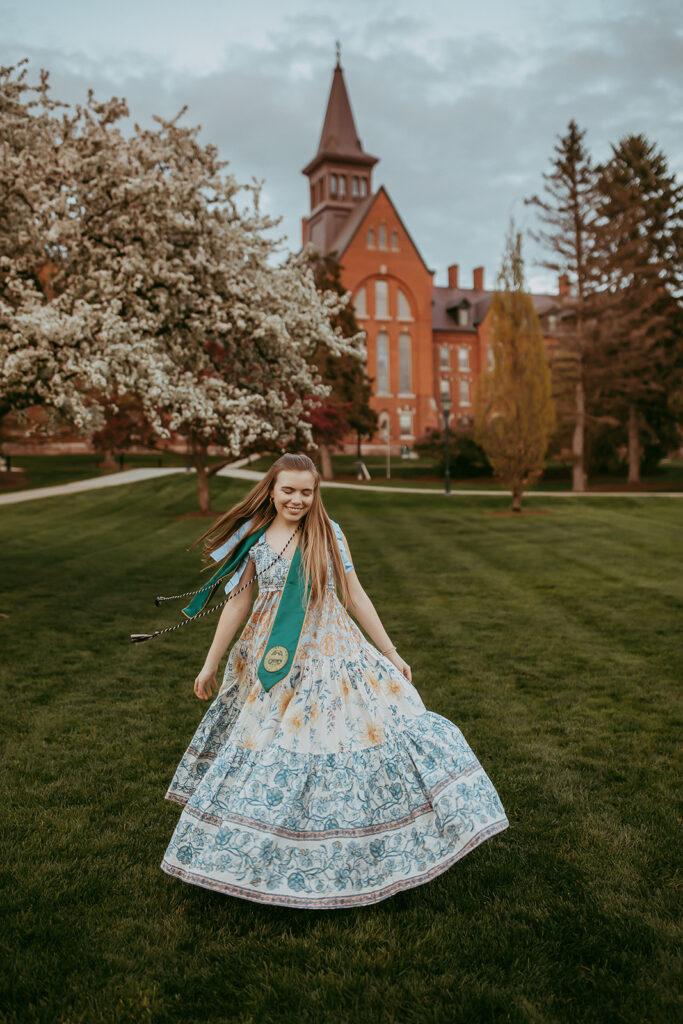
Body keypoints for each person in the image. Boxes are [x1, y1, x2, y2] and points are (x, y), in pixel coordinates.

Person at [161, 453, 508, 908]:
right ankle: (262, 847)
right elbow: (238, 604)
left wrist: (390, 651)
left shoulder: (327, 533)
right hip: (276, 656)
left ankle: (354, 846)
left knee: (338, 740)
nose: (297, 499)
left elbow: (354, 594)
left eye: (307, 491)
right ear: (271, 489)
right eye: (288, 490)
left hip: (333, 652)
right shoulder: (253, 537)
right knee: (270, 747)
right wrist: (210, 663)